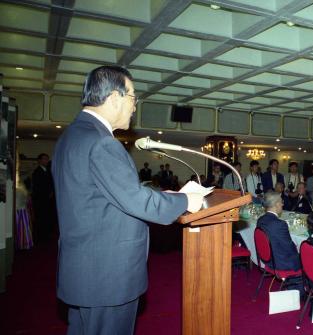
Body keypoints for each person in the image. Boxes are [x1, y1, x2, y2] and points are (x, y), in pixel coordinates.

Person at [51, 65, 204, 335]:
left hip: (84, 269)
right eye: (133, 97)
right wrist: (185, 201)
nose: (135, 107)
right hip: (107, 275)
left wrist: (163, 196)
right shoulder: (102, 142)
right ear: (114, 98)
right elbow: (136, 201)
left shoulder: (71, 137)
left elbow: (107, 196)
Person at [256, 192, 302, 294]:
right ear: (276, 204)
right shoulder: (280, 224)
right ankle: (302, 292)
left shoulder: (261, 220)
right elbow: (289, 249)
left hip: (267, 260)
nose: (282, 204)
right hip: (280, 263)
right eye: (281, 202)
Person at [31, 153, 55, 242]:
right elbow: (38, 187)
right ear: (39, 161)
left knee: (47, 217)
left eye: (47, 159)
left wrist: (51, 192)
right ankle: (41, 237)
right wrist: (47, 193)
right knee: (41, 218)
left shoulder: (48, 170)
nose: (46, 161)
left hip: (48, 199)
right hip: (40, 199)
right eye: (44, 159)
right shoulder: (37, 172)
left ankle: (47, 234)